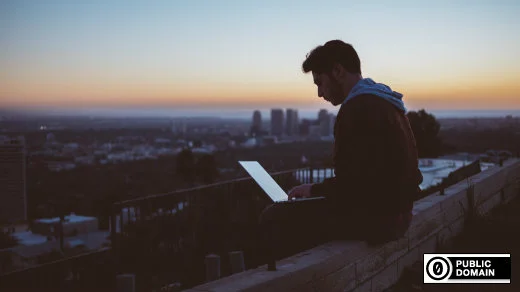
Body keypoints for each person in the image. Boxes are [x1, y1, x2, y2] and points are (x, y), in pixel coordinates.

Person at [287, 40, 423, 244]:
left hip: (377, 222)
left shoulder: (355, 110)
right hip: (401, 217)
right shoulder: (386, 101)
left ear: (338, 71)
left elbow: (351, 187)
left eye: (320, 83)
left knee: (277, 218)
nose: (320, 93)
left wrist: (314, 191)